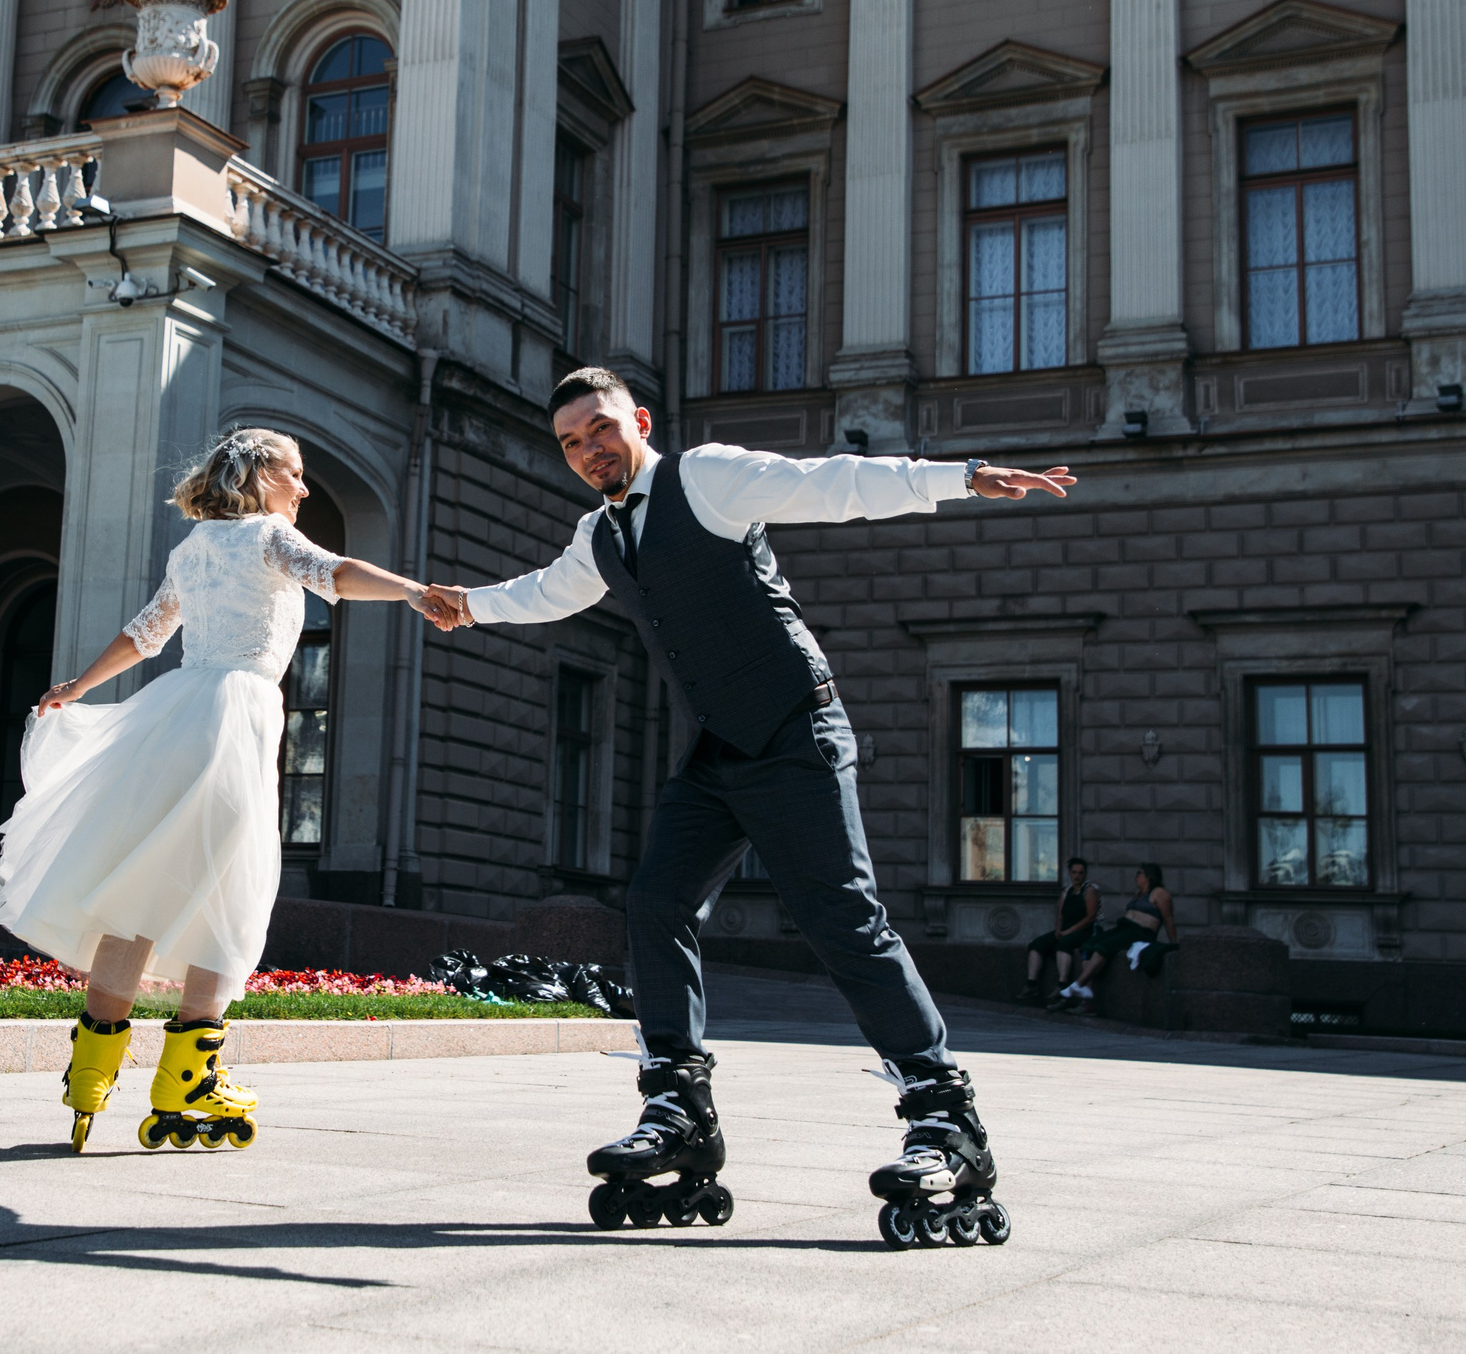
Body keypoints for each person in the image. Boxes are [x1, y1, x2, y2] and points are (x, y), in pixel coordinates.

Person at [418, 367, 1075, 1243]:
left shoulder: (709, 476)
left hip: (796, 727)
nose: (588, 450)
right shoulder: (601, 534)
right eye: (572, 442)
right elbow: (549, 591)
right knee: (656, 900)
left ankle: (945, 1119)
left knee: (841, 914)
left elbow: (834, 486)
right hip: (720, 749)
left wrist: (958, 475)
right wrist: (471, 606)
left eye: (601, 428)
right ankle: (678, 1108)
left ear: (639, 421)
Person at [0, 428, 435, 1154]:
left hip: (179, 712)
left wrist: (78, 685)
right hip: (237, 716)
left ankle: (91, 1071)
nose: (305, 488)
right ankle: (188, 1080)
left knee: (141, 886)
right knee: (233, 882)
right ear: (261, 476)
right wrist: (414, 590)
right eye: (296, 474)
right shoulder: (268, 536)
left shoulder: (193, 547)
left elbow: (145, 634)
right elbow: (338, 571)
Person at [1053, 862, 1179, 1015]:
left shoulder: (1160, 894)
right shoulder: (1138, 893)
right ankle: (1087, 996)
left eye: (1139, 873)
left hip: (1141, 932)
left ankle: (1079, 983)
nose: (1136, 877)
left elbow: (1169, 920)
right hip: (1124, 928)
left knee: (1104, 947)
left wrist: (1174, 945)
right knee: (1088, 945)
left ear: (1149, 876)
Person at [1020, 856, 1099, 1004]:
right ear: (1069, 872)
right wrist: (1058, 930)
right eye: (1074, 872)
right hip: (1065, 930)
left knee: (1064, 944)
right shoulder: (1067, 891)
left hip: (1084, 932)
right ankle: (1031, 983)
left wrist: (1068, 932)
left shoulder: (1089, 891)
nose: (1077, 876)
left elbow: (1090, 917)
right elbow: (1061, 915)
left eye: (1080, 873)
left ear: (1085, 874)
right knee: (1038, 944)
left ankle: (1062, 985)